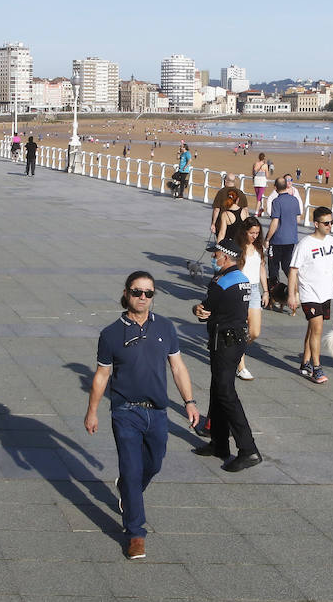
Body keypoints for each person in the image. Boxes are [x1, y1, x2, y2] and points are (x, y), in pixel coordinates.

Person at [85, 271, 201, 560]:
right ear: (126, 293)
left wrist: (190, 401)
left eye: (148, 293)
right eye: (137, 292)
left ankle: (126, 489)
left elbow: (177, 367)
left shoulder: (165, 327)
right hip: (125, 412)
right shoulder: (110, 334)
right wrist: (92, 412)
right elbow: (102, 375)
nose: (143, 298)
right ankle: (135, 533)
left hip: (158, 413)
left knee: (154, 465)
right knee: (133, 469)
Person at [191, 239, 262, 472]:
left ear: (227, 257)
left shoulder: (221, 282)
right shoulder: (242, 279)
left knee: (225, 392)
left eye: (217, 254)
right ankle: (219, 443)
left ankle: (248, 449)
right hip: (236, 339)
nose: (214, 257)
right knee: (218, 389)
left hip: (223, 340)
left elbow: (205, 309)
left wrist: (197, 310)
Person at [288, 206, 333, 384]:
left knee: (313, 328)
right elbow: (293, 271)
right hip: (309, 293)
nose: (329, 225)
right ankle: (316, 368)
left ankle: (305, 362)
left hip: (326, 293)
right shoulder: (305, 244)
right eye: (326, 223)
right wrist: (292, 295)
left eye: (331, 222)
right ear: (316, 224)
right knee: (318, 330)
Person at [235, 218, 267, 380]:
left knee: (254, 331)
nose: (255, 236)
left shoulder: (259, 247)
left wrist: (266, 290)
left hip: (254, 289)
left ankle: (235, 350)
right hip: (239, 289)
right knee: (242, 327)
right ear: (244, 232)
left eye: (257, 233)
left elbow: (262, 268)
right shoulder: (238, 247)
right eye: (251, 233)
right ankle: (241, 366)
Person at [266, 177, 301, 291]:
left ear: (275, 188)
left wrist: (267, 239)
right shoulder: (294, 200)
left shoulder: (276, 201)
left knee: (273, 267)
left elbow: (275, 222)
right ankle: (294, 290)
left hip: (277, 239)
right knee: (287, 266)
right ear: (286, 186)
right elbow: (297, 219)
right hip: (291, 238)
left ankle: (274, 294)